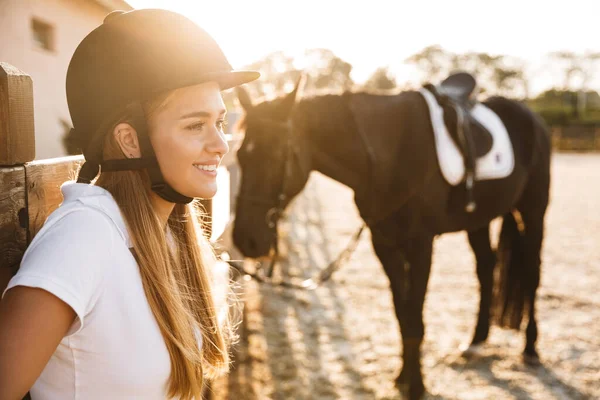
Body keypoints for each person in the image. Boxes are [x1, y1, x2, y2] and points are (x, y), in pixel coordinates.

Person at [0, 8, 259, 400]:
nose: (220, 144)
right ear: (129, 139)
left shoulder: (165, 230)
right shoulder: (82, 239)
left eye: (219, 123)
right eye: (195, 125)